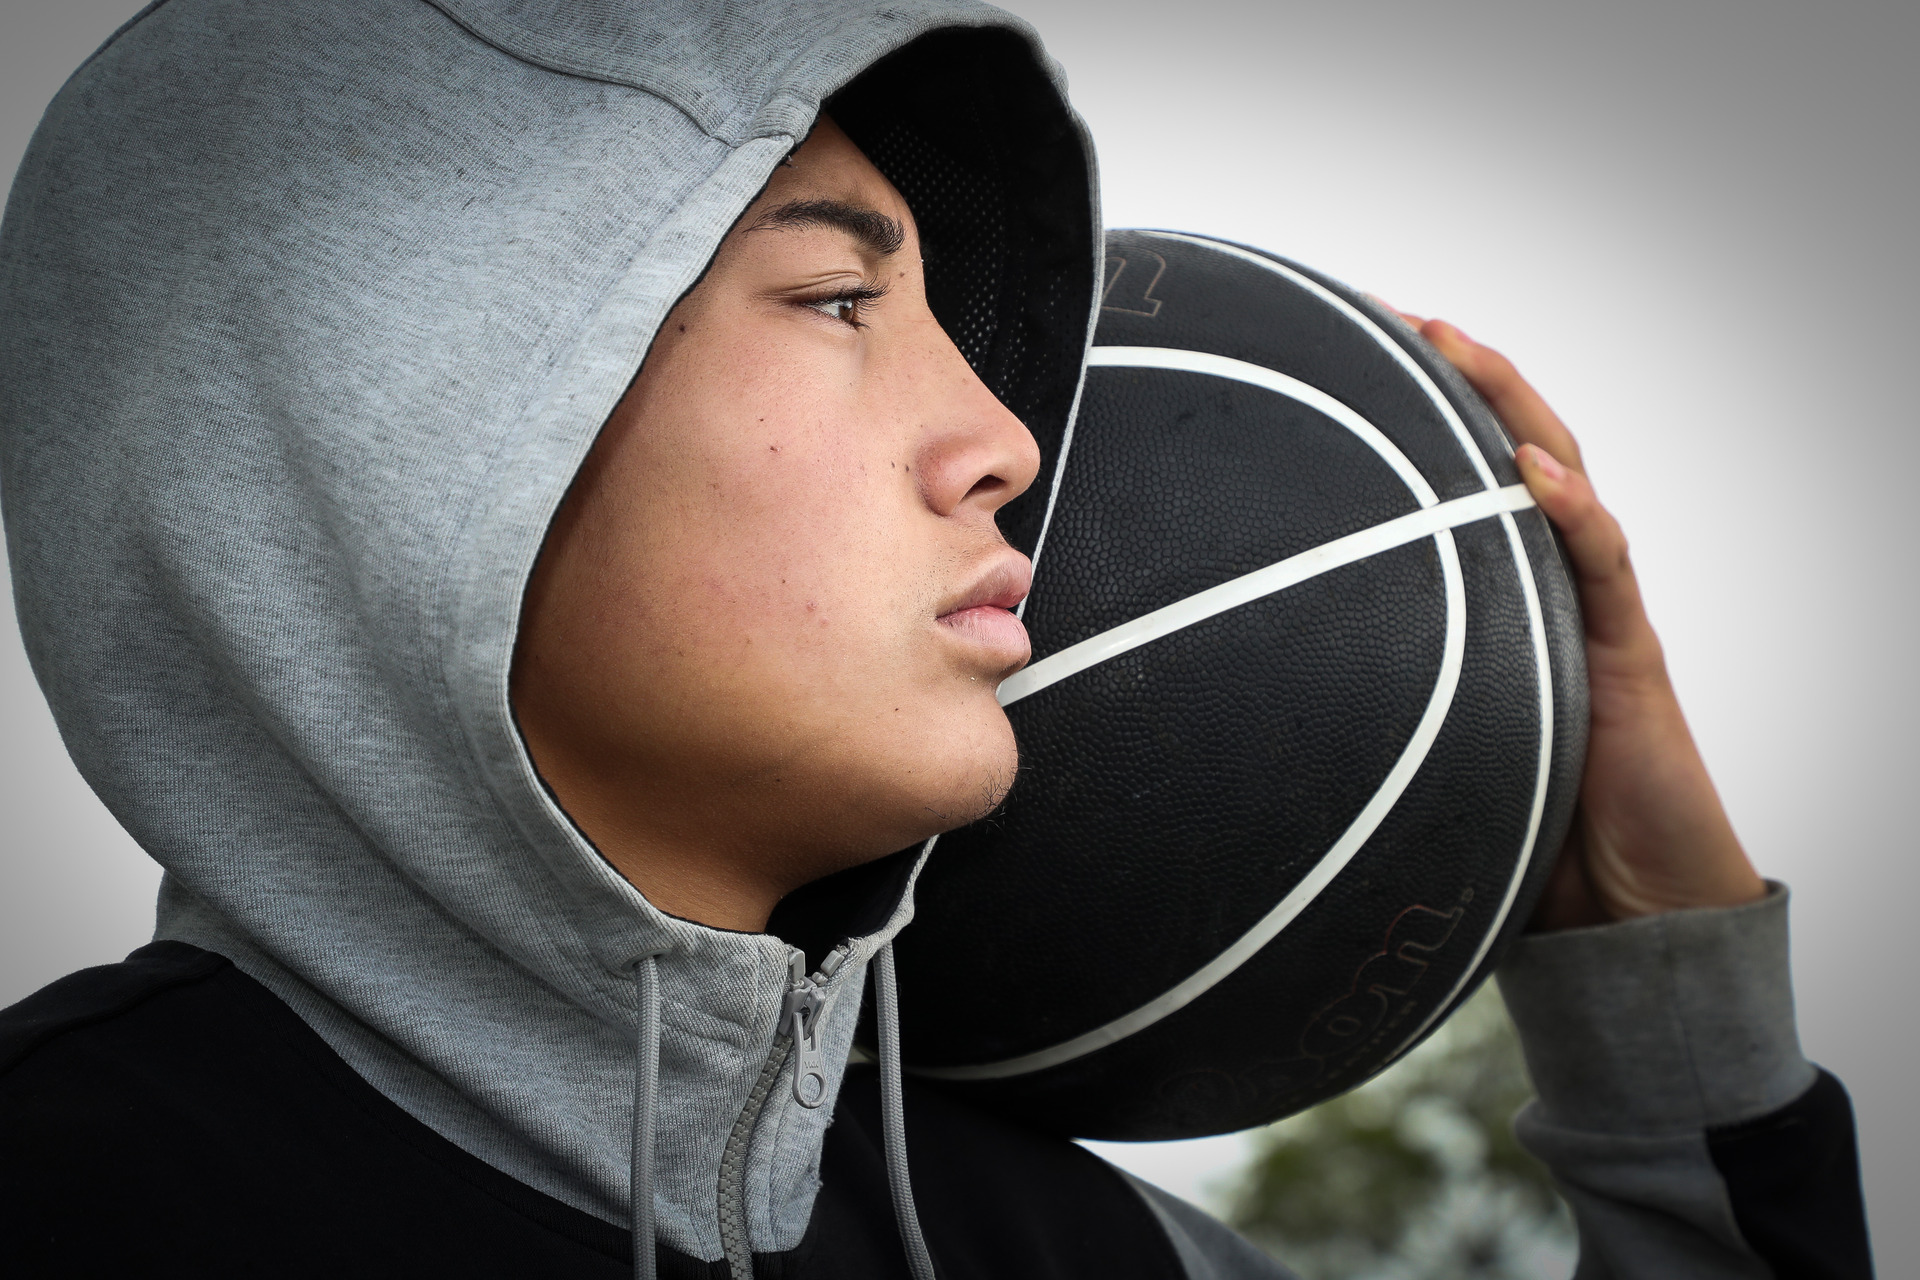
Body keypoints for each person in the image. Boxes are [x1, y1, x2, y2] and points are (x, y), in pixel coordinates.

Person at [0, 0, 1871, 1277]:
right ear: (392, 430)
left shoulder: (1070, 1255)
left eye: (951, 328)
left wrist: (1661, 984)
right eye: (834, 299)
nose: (1009, 443)